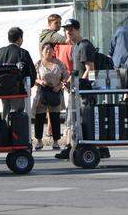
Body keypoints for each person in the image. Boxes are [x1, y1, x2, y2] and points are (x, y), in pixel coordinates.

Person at [55, 18, 105, 160]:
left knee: (82, 120)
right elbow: (77, 70)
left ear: (77, 30)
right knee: (72, 120)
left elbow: (90, 69)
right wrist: (68, 82)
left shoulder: (84, 46)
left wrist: (80, 85)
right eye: (66, 30)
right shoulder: (75, 46)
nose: (68, 32)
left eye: (71, 29)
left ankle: (94, 148)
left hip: (83, 91)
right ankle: (70, 147)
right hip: (76, 89)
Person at [0, 27, 36, 120]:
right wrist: (29, 86)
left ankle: (4, 131)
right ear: (20, 39)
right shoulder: (23, 52)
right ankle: (15, 133)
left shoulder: (0, 51)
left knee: (5, 110)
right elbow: (31, 72)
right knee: (17, 113)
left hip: (1, 89)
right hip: (17, 90)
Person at [34, 43, 68, 150]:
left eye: (50, 49)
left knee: (55, 118)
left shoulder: (59, 64)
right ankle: (39, 141)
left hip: (55, 92)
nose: (48, 51)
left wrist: (59, 86)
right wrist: (40, 81)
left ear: (54, 51)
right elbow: (32, 78)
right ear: (42, 51)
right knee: (39, 118)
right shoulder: (38, 64)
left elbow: (66, 78)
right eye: (46, 49)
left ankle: (56, 141)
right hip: (41, 93)